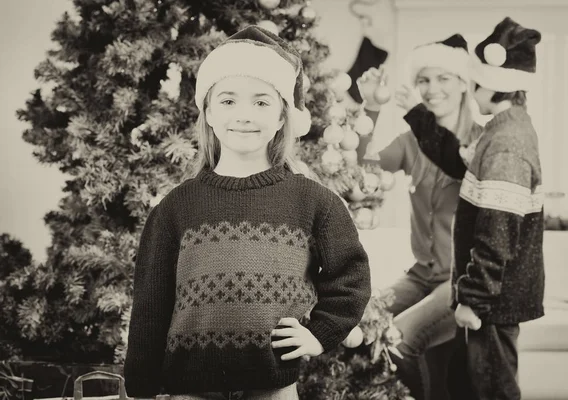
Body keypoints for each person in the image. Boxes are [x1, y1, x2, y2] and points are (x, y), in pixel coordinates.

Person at [123, 25, 372, 400]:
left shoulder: (314, 201)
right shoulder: (176, 207)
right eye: (227, 101)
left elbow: (350, 276)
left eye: (261, 102)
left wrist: (320, 335)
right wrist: (140, 388)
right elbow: (151, 304)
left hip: (274, 385)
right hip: (190, 387)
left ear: (281, 117)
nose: (244, 115)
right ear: (207, 112)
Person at [406, 17, 545, 400]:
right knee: (467, 386)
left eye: (475, 82)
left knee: (492, 390)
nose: (470, 90)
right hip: (491, 297)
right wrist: (417, 115)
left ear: (493, 86)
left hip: (492, 301)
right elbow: (458, 163)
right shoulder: (502, 130)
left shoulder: (506, 143)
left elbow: (497, 231)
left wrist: (474, 299)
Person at [353, 34, 482, 400]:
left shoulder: (481, 140)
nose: (431, 88)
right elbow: (364, 171)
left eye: (443, 78)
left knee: (400, 338)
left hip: (460, 279)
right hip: (420, 274)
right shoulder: (411, 141)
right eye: (424, 79)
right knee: (360, 319)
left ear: (462, 84)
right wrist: (370, 108)